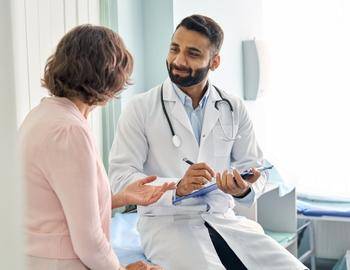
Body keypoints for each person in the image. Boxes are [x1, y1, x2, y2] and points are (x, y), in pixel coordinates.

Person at [109, 15, 307, 270]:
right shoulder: (140, 108)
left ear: (214, 61)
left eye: (192, 53)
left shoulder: (233, 107)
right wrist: (176, 187)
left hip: (221, 218)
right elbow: (120, 179)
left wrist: (242, 189)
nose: (178, 60)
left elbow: (256, 168)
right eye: (174, 49)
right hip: (167, 224)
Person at [19, 25, 175, 270]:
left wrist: (120, 198)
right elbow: (88, 241)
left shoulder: (40, 116)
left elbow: (58, 206)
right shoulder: (70, 131)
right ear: (109, 78)